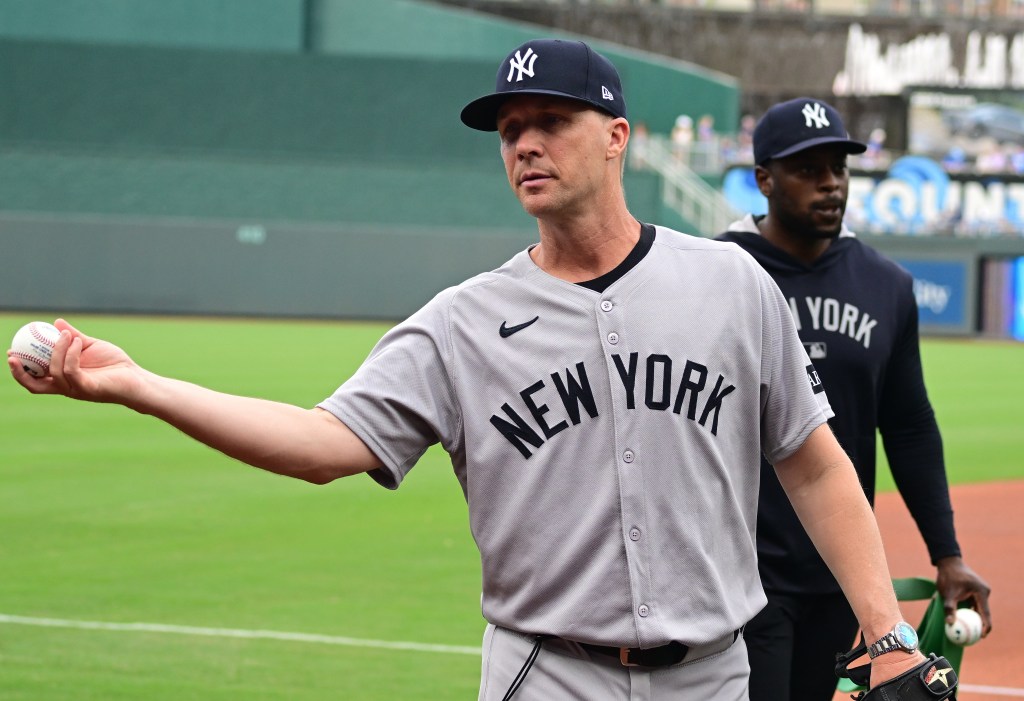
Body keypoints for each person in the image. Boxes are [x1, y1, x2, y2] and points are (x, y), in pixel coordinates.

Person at [10, 42, 935, 701]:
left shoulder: (729, 282)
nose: (525, 143)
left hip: (715, 673)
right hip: (548, 672)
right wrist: (140, 385)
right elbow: (322, 443)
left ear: (617, 136)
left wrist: (887, 635)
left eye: (551, 122)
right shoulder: (462, 322)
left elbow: (814, 464)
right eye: (509, 129)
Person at [716, 97, 992, 701]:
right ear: (763, 178)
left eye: (838, 168)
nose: (829, 183)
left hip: (837, 571)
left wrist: (947, 555)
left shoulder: (885, 284)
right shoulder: (716, 273)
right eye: (807, 169)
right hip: (737, 568)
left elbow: (910, 427)